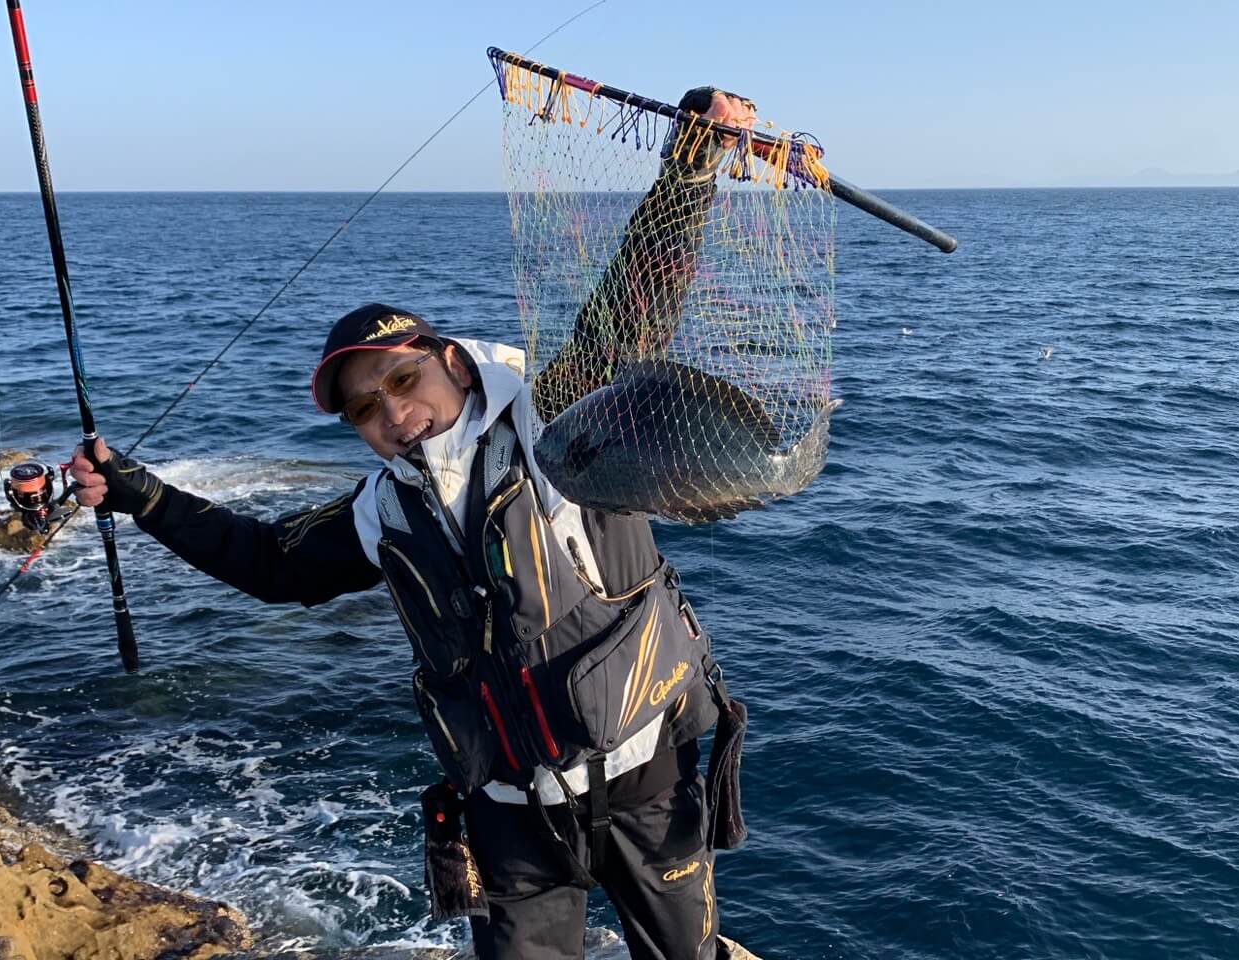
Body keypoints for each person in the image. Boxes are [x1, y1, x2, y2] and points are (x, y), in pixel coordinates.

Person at [68, 87, 755, 960]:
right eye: (363, 408)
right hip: (508, 815)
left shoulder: (554, 421)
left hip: (645, 786)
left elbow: (628, 319)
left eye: (402, 380)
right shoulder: (381, 509)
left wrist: (689, 169)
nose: (392, 414)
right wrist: (141, 496)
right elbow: (269, 563)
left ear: (452, 363)